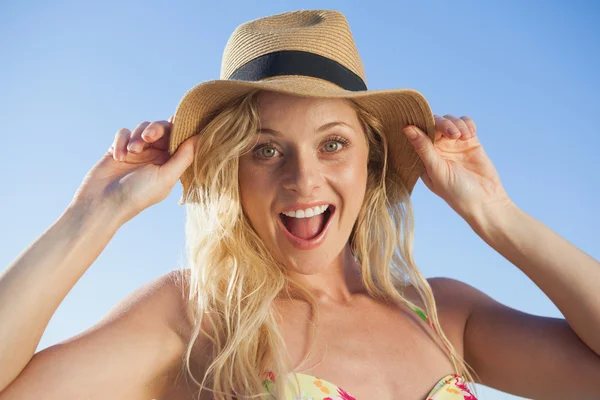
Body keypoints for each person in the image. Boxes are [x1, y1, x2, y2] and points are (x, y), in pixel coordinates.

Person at [0, 9, 598, 400]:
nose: (301, 179)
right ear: (230, 170)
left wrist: (497, 215)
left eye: (332, 143)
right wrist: (91, 216)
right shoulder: (196, 316)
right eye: (265, 150)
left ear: (371, 160)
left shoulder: (443, 314)